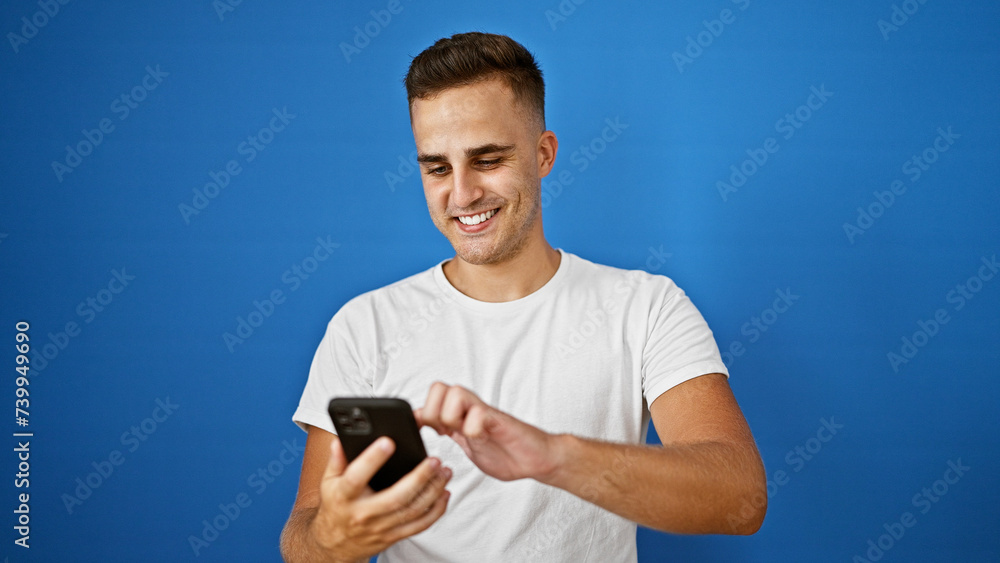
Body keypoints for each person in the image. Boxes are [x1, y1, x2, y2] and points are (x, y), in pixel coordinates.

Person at [280, 31, 766, 563]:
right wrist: (333, 539)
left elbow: (740, 496)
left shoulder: (646, 307)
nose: (462, 194)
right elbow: (302, 539)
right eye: (437, 168)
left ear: (543, 154)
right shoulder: (363, 325)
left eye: (488, 160)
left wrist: (553, 456)